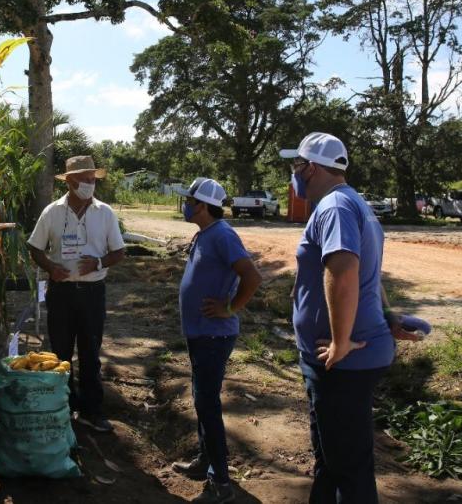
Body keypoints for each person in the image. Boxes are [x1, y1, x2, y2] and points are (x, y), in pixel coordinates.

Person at [279, 132, 419, 504]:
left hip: (343, 361)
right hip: (338, 357)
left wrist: (341, 343)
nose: (293, 175)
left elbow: (342, 273)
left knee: (349, 470)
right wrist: (389, 315)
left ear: (309, 168)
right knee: (331, 459)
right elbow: (370, 275)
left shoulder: (335, 207)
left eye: (295, 166)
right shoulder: (352, 203)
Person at [171, 178, 262, 503]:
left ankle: (221, 481)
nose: (184, 205)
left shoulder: (223, 235)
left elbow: (252, 276)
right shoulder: (205, 234)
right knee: (201, 399)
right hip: (200, 333)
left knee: (207, 403)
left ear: (201, 205)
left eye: (189, 201)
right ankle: (204, 461)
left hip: (213, 335)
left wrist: (229, 308)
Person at [27, 155, 126, 432]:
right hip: (61, 293)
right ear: (69, 181)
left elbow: (119, 252)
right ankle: (64, 408)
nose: (90, 184)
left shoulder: (104, 212)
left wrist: (98, 262)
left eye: (93, 179)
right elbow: (35, 247)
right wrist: (50, 266)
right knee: (60, 352)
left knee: (91, 352)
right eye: (85, 179)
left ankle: (92, 410)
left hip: (93, 292)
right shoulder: (52, 212)